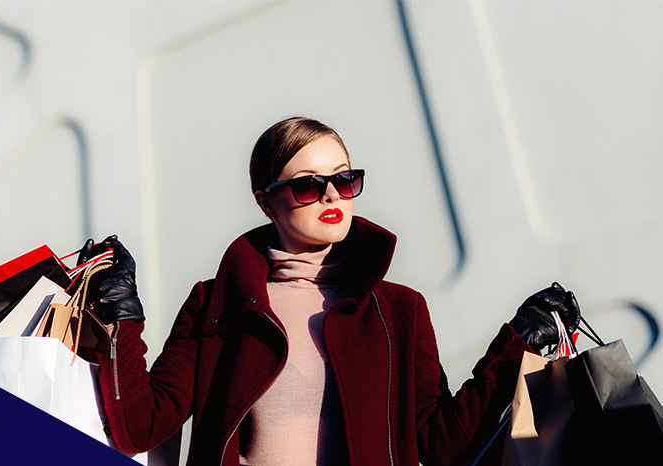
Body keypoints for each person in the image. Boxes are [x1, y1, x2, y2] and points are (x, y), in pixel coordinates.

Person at [76, 117, 580, 466]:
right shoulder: (218, 303)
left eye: (345, 179)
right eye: (308, 185)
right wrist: (121, 318)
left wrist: (516, 344)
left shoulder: (399, 310)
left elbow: (441, 444)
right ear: (266, 201)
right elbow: (141, 425)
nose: (334, 196)